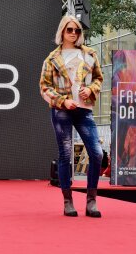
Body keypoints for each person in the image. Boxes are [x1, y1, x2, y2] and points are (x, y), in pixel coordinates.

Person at [39, 16, 103, 217]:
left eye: (76, 30)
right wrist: (63, 101)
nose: (74, 33)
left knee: (97, 154)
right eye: (69, 30)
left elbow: (99, 78)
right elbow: (44, 87)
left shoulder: (90, 54)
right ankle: (68, 201)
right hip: (62, 110)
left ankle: (91, 201)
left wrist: (91, 89)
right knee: (65, 155)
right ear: (62, 32)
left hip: (84, 110)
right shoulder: (52, 59)